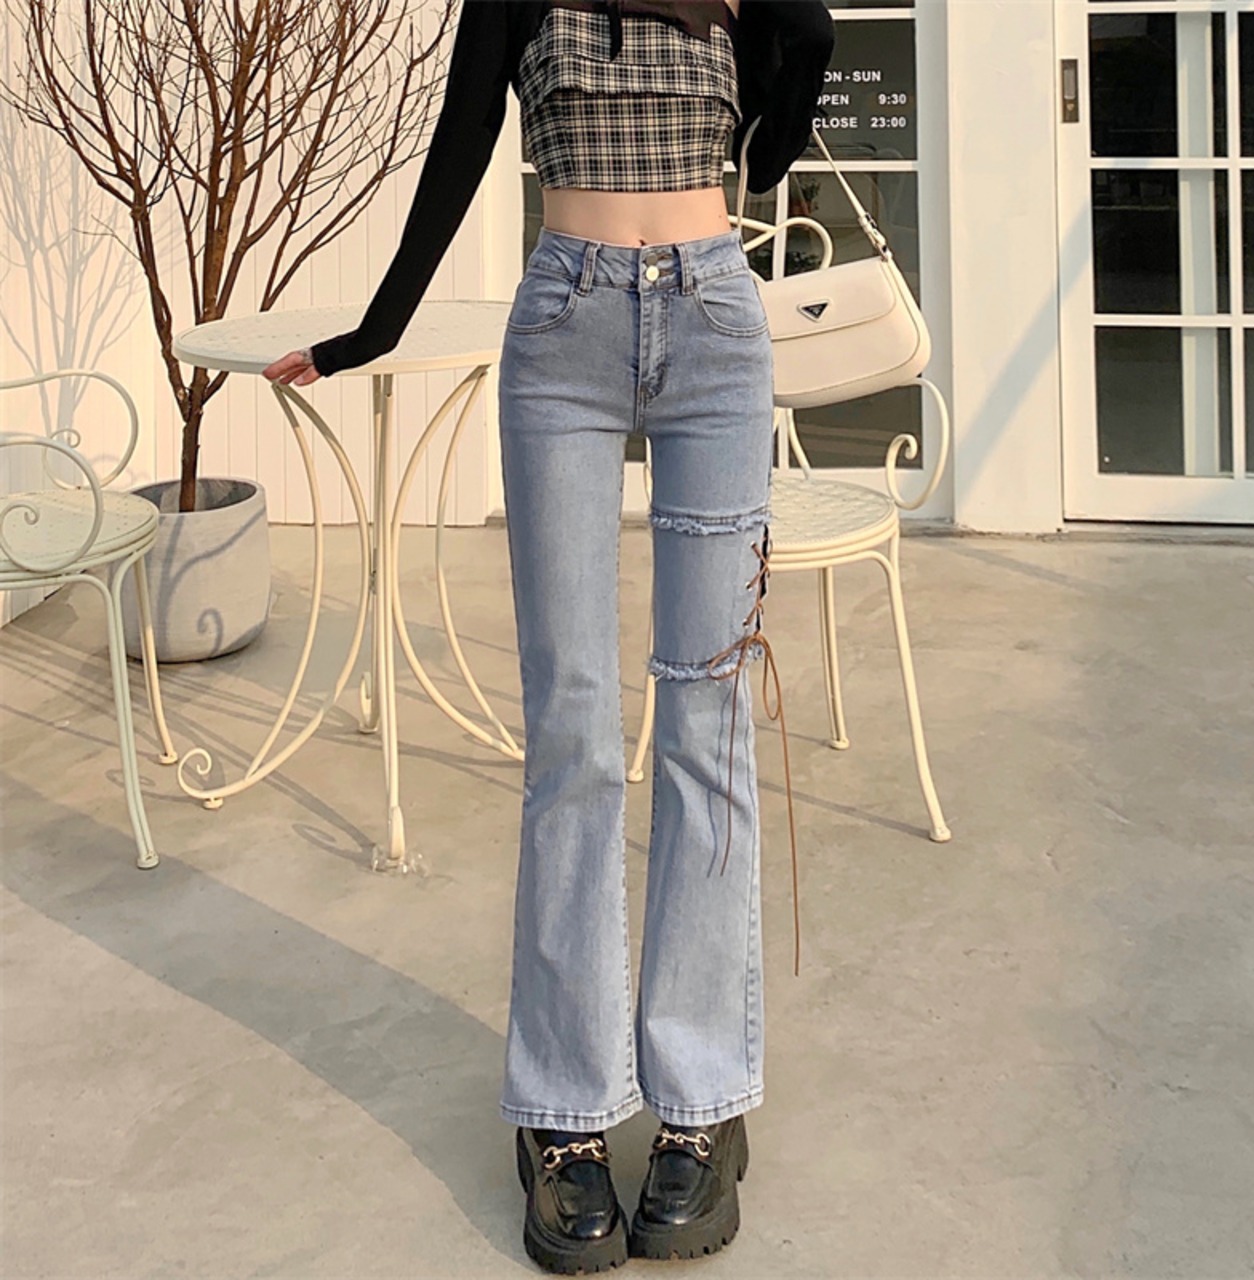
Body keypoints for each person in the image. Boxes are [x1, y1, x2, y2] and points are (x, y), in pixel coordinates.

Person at [264, 0, 833, 1271]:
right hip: (564, 328)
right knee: (571, 724)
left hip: (712, 319)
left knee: (706, 717)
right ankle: (565, 1110)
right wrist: (371, 330)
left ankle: (699, 1099)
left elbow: (798, 75)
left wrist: (780, 42)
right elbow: (460, 141)